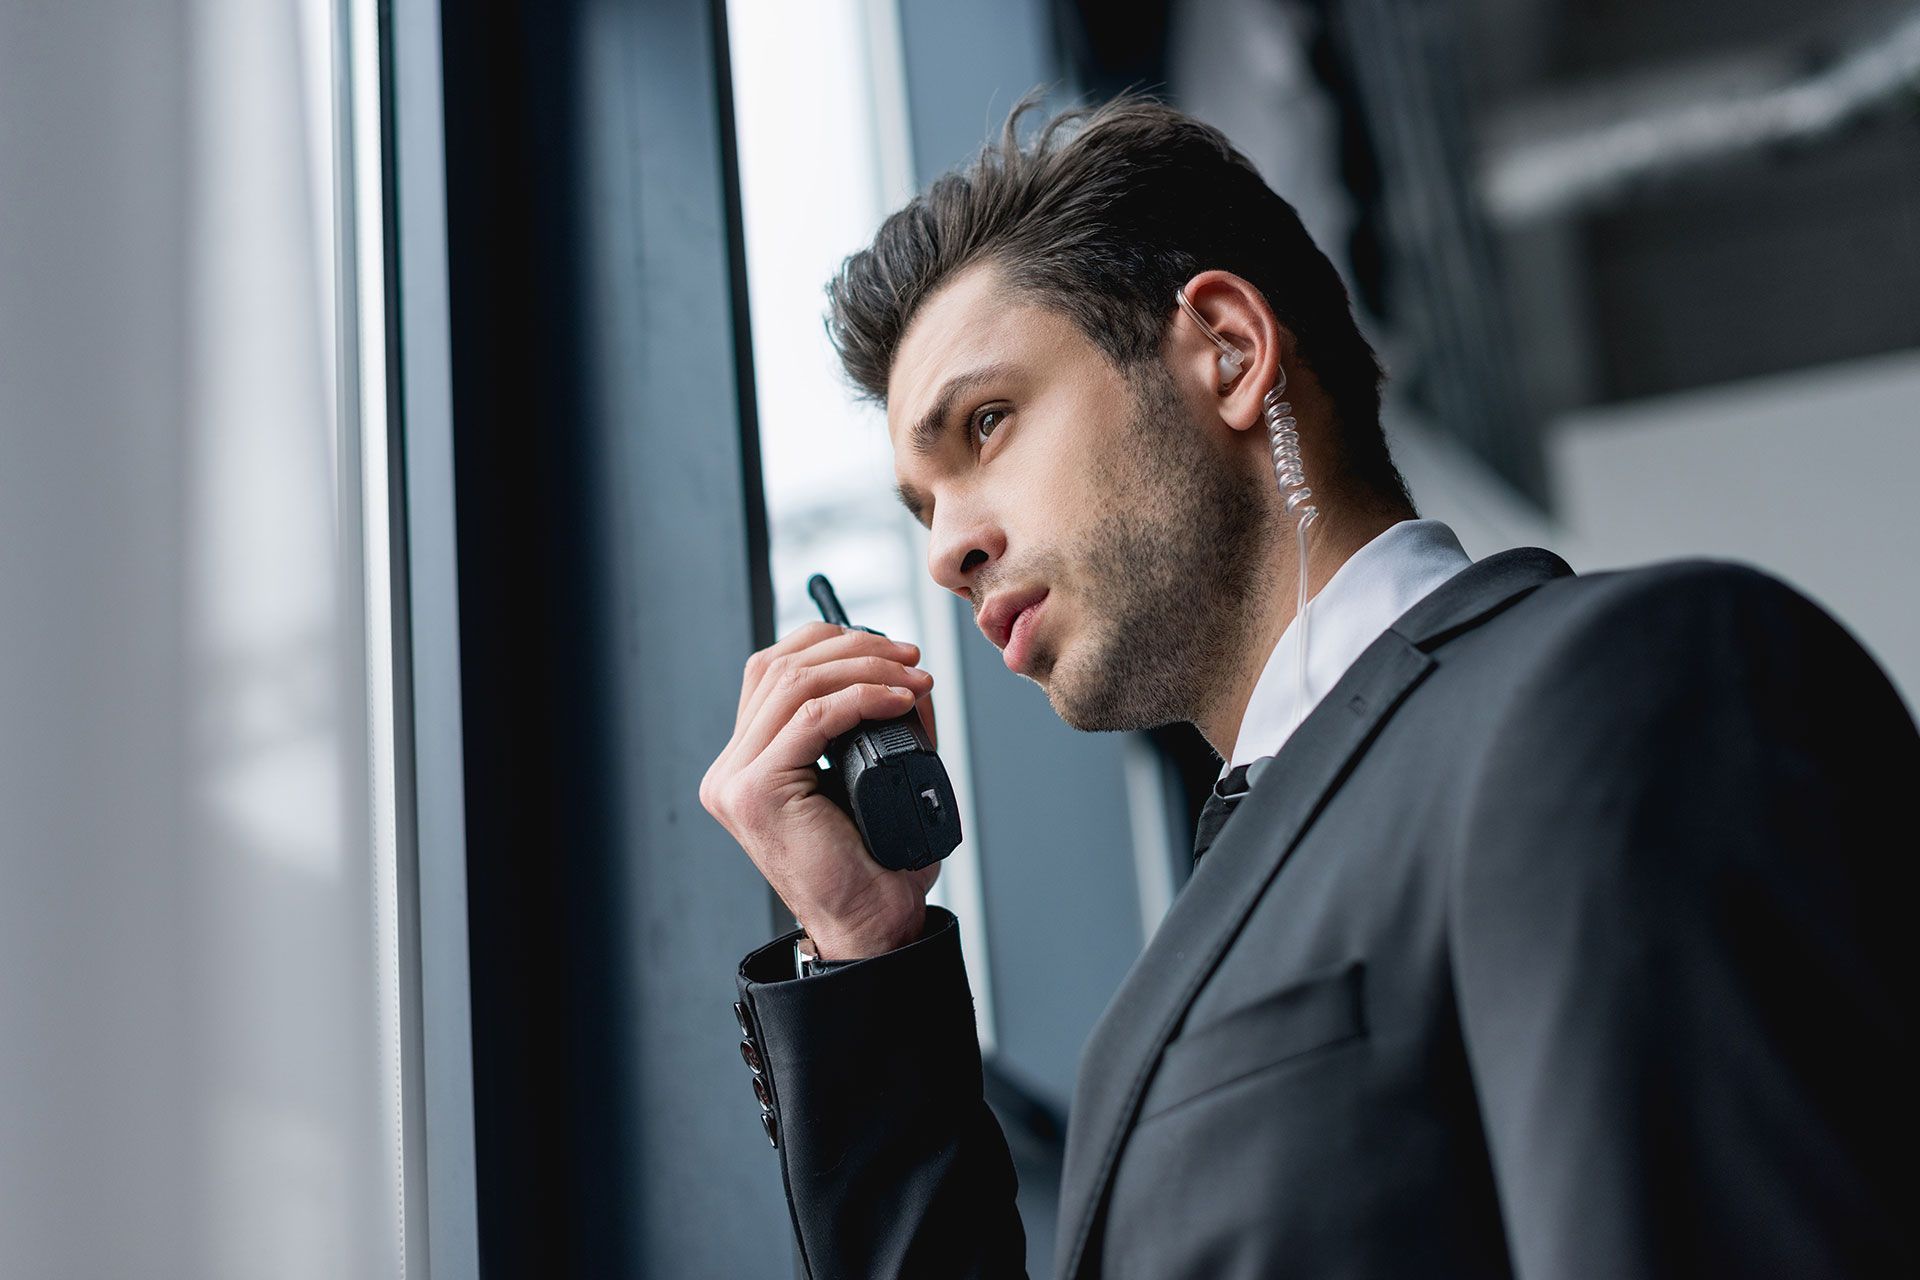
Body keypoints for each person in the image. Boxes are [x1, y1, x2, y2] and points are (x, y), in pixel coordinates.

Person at [698, 90, 1916, 1279]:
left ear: (1228, 350)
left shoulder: (1624, 687)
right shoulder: (1202, 927)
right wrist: (868, 947)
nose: (943, 548)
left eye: (988, 423)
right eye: (920, 506)